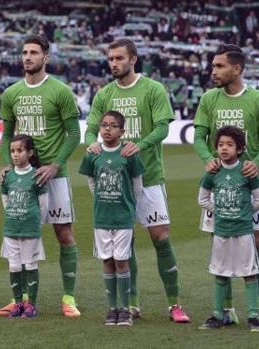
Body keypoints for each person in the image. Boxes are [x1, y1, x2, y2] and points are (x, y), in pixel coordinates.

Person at [85, 38, 190, 322]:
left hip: (150, 177)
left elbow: (162, 128)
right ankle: (131, 303)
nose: (114, 63)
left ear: (133, 59)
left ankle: (174, 304)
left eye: (119, 58)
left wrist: (139, 145)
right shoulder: (104, 93)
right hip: (115, 184)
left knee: (161, 238)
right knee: (123, 245)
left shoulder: (153, 89)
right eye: (110, 59)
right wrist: (90, 144)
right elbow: (91, 129)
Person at [193, 43, 259, 329]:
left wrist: (257, 162)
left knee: (258, 241)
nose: (213, 71)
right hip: (220, 186)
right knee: (221, 244)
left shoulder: (258, 100)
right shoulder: (208, 99)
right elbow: (199, 137)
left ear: (237, 68)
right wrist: (208, 159)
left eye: (219, 66)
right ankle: (225, 311)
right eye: (213, 65)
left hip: (247, 186)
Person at [0, 35, 82, 317]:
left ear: (46, 57)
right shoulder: (11, 93)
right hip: (23, 177)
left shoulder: (60, 91)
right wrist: (8, 165)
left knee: (64, 233)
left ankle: (68, 297)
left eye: (34, 52)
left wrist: (55, 165)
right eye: (24, 52)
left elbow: (74, 134)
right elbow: (7, 134)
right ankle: (21, 299)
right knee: (20, 236)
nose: (27, 57)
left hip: (54, 176)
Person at [197, 126, 259, 332]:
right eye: (220, 145)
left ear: (240, 149)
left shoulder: (247, 170)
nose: (224, 148)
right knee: (220, 273)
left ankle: (254, 316)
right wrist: (219, 210)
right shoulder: (212, 172)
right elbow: (202, 199)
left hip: (244, 231)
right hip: (221, 232)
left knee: (249, 273)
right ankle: (218, 315)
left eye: (229, 145)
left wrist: (242, 212)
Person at [79, 111, 144, 326]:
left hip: (123, 217)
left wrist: (129, 206)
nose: (107, 129)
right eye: (104, 125)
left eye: (113, 125)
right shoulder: (92, 153)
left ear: (122, 131)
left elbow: (137, 185)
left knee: (122, 261)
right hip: (102, 217)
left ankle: (125, 309)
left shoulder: (129, 154)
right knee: (106, 260)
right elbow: (91, 182)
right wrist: (101, 198)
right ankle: (111, 308)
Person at [0, 134, 48, 318]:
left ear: (30, 153)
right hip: (11, 228)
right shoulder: (7, 176)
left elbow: (43, 204)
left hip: (30, 229)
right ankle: (18, 303)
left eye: (19, 151)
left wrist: (35, 222)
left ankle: (31, 305)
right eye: (12, 151)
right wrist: (14, 214)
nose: (15, 154)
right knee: (13, 266)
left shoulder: (36, 175)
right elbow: (5, 199)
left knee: (30, 265)